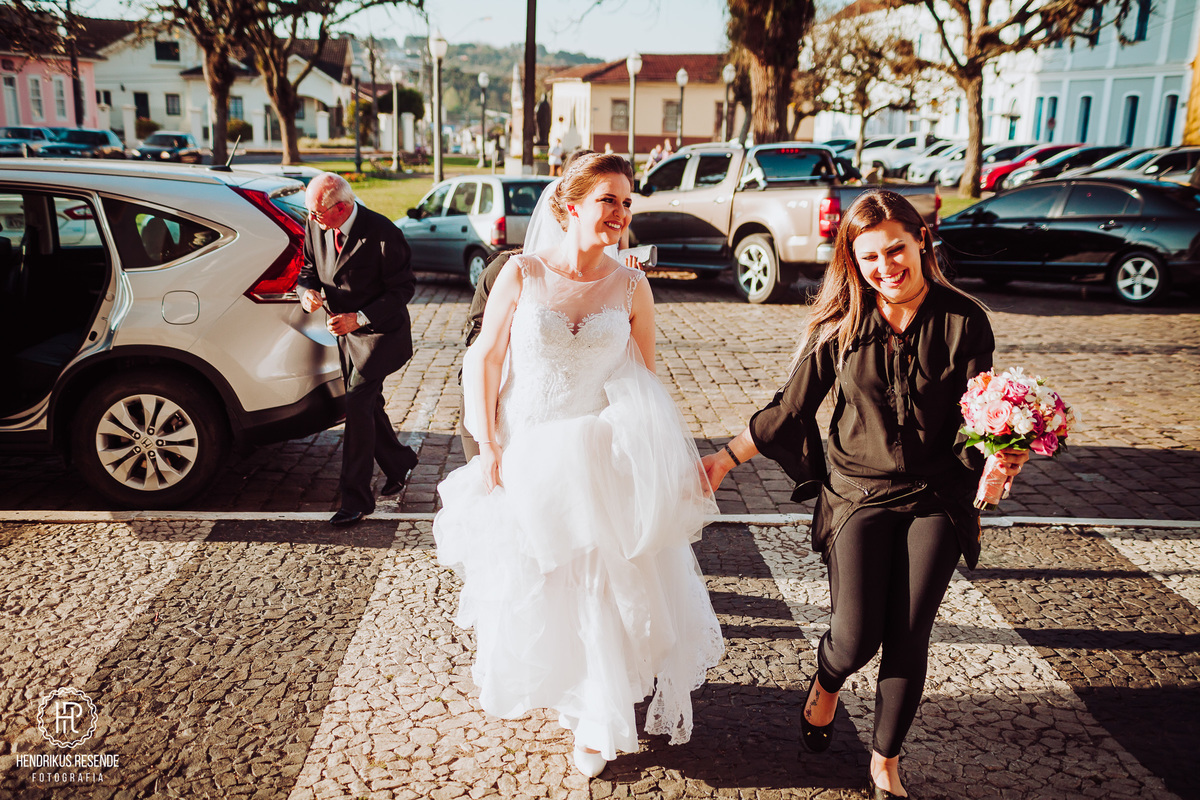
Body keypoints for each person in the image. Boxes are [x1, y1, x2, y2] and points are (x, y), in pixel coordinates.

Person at [701, 190, 1029, 799]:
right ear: (854, 261)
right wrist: (724, 460)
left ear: (921, 240)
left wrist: (1004, 456)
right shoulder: (843, 323)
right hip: (858, 492)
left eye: (896, 249)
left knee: (909, 633)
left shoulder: (965, 319)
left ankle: (885, 763)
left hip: (936, 494)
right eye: (870, 257)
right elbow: (791, 410)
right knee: (854, 637)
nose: (886, 267)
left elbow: (983, 416)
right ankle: (826, 683)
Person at [435, 153, 723, 779]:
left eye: (627, 203)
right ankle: (568, 685)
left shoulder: (633, 286)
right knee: (544, 584)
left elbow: (644, 374)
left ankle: (598, 712)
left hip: (598, 455)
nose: (620, 214)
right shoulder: (521, 273)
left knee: (600, 582)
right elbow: (482, 361)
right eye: (609, 201)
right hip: (529, 450)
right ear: (571, 207)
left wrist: (656, 455)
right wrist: (489, 449)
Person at [298, 173, 419, 527]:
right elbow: (308, 269)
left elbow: (403, 290)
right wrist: (306, 293)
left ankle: (356, 499)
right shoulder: (315, 223)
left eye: (318, 212)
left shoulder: (384, 233)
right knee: (367, 404)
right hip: (343, 333)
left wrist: (360, 318)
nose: (312, 219)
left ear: (343, 207)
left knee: (357, 402)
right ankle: (400, 462)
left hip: (381, 335)